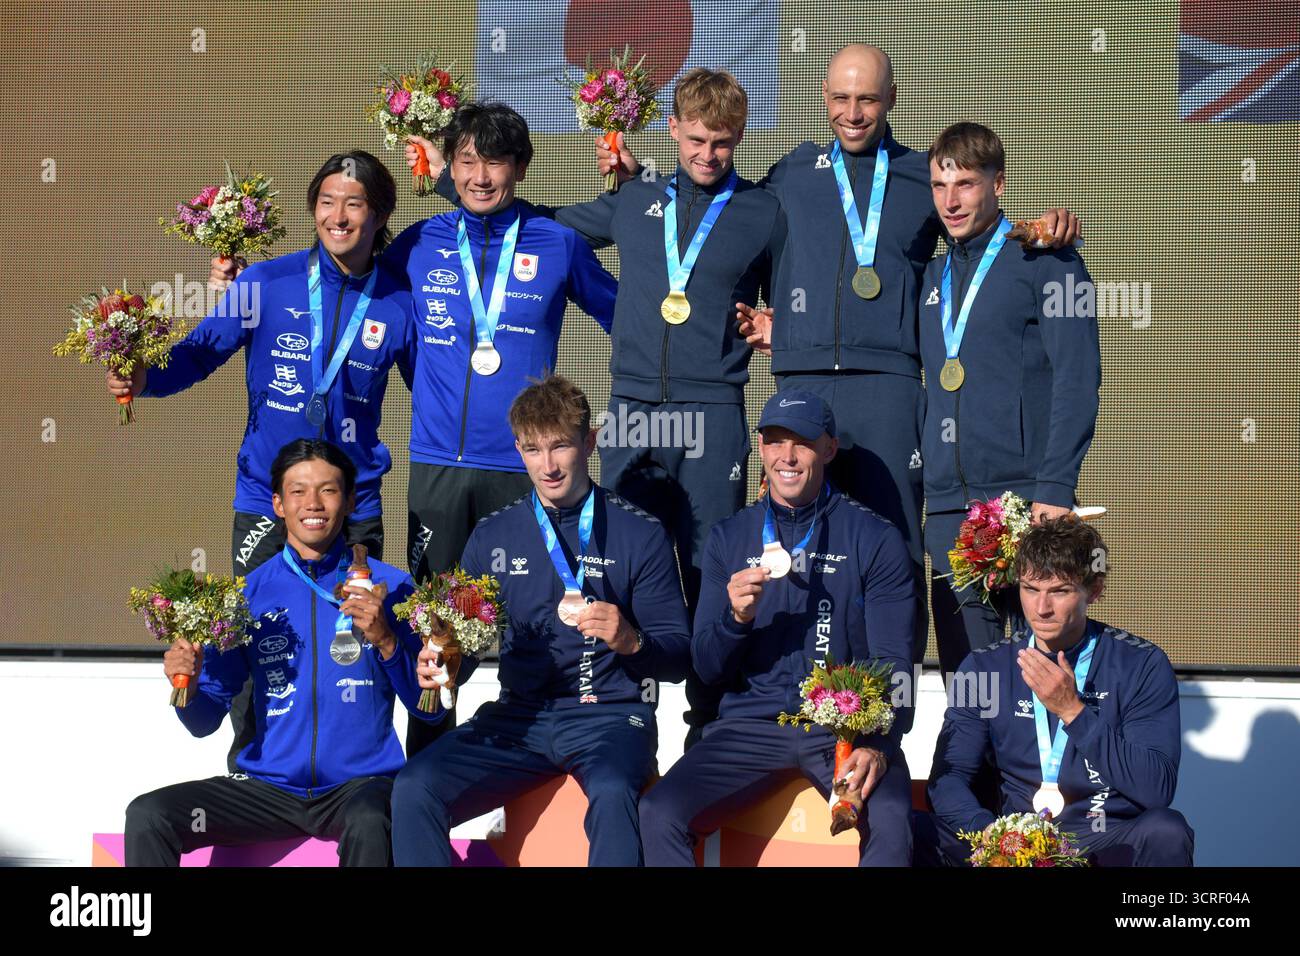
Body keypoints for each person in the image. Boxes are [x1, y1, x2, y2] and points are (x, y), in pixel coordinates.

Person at [604, 46, 1081, 675]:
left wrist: (1040, 229)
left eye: (868, 99)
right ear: (823, 99)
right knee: (790, 551)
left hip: (887, 394)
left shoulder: (920, 176)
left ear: (889, 101)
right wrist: (644, 184)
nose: (852, 113)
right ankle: (788, 704)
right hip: (799, 389)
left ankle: (885, 714)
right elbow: (715, 218)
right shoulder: (791, 173)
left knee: (896, 556)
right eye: (840, 99)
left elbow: (980, 244)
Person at [413, 69, 784, 746]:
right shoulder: (633, 199)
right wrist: (453, 178)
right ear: (672, 130)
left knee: (707, 573)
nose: (708, 154)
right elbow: (536, 220)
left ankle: (709, 732)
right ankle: (621, 721)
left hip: (714, 413)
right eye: (697, 138)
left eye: (724, 143)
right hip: (635, 411)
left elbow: (798, 295)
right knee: (625, 566)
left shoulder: (765, 211)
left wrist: (778, 327)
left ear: (739, 139)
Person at [116, 151, 415, 769]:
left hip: (351, 505)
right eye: (327, 201)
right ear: (313, 209)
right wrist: (143, 376)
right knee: (255, 641)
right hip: (264, 497)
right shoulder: (263, 284)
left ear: (379, 213)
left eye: (355, 204)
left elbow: (436, 392)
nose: (338, 216)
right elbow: (197, 356)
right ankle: (252, 772)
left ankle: (359, 777)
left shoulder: (398, 303)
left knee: (358, 641)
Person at [385, 102, 619, 758]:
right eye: (466, 161)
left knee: (532, 633)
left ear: (519, 166)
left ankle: (539, 778)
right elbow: (380, 323)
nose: (480, 176)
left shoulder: (557, 243)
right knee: (434, 635)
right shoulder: (419, 242)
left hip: (527, 472)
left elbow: (624, 320)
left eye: (495, 161)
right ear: (448, 166)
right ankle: (424, 785)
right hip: (440, 470)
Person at [391, 375, 691, 866]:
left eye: (560, 447)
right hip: (519, 717)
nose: (547, 466)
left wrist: (632, 641)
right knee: (414, 786)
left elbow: (679, 655)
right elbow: (459, 651)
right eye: (532, 450)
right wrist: (444, 660)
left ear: (590, 442)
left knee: (616, 794)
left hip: (609, 716)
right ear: (517, 449)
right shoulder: (493, 534)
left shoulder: (641, 532)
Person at [638, 388, 917, 866]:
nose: (787, 457)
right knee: (659, 810)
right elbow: (704, 668)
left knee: (890, 816)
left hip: (840, 731)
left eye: (802, 442)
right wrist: (735, 620)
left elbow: (895, 664)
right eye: (774, 441)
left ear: (828, 449)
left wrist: (878, 746)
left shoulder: (874, 537)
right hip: (748, 727)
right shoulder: (729, 537)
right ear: (760, 447)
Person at [124, 440, 437, 867]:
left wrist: (386, 641)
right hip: (266, 792)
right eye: (298, 491)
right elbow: (203, 722)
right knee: (148, 815)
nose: (313, 503)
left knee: (369, 820)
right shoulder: (245, 596)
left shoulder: (393, 588)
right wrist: (190, 688)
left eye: (328, 490)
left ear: (348, 502)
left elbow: (431, 710)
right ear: (277, 504)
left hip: (359, 789)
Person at [918, 122, 1100, 678]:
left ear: (999, 184)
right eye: (939, 186)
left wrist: (1054, 487)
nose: (951, 201)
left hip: (1024, 498)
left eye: (966, 184)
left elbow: (1078, 376)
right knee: (967, 679)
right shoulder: (928, 272)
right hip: (948, 506)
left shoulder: (1049, 259)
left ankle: (1041, 769)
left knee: (1039, 671)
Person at [923, 516, 1194, 866]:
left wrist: (1073, 711)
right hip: (1015, 837)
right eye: (1030, 589)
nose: (1041, 608)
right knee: (908, 826)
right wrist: (988, 832)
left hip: (1102, 838)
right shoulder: (984, 667)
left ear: (1093, 590)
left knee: (1167, 830)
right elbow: (947, 780)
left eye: (1060, 591)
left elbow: (1157, 790)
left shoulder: (1141, 664)